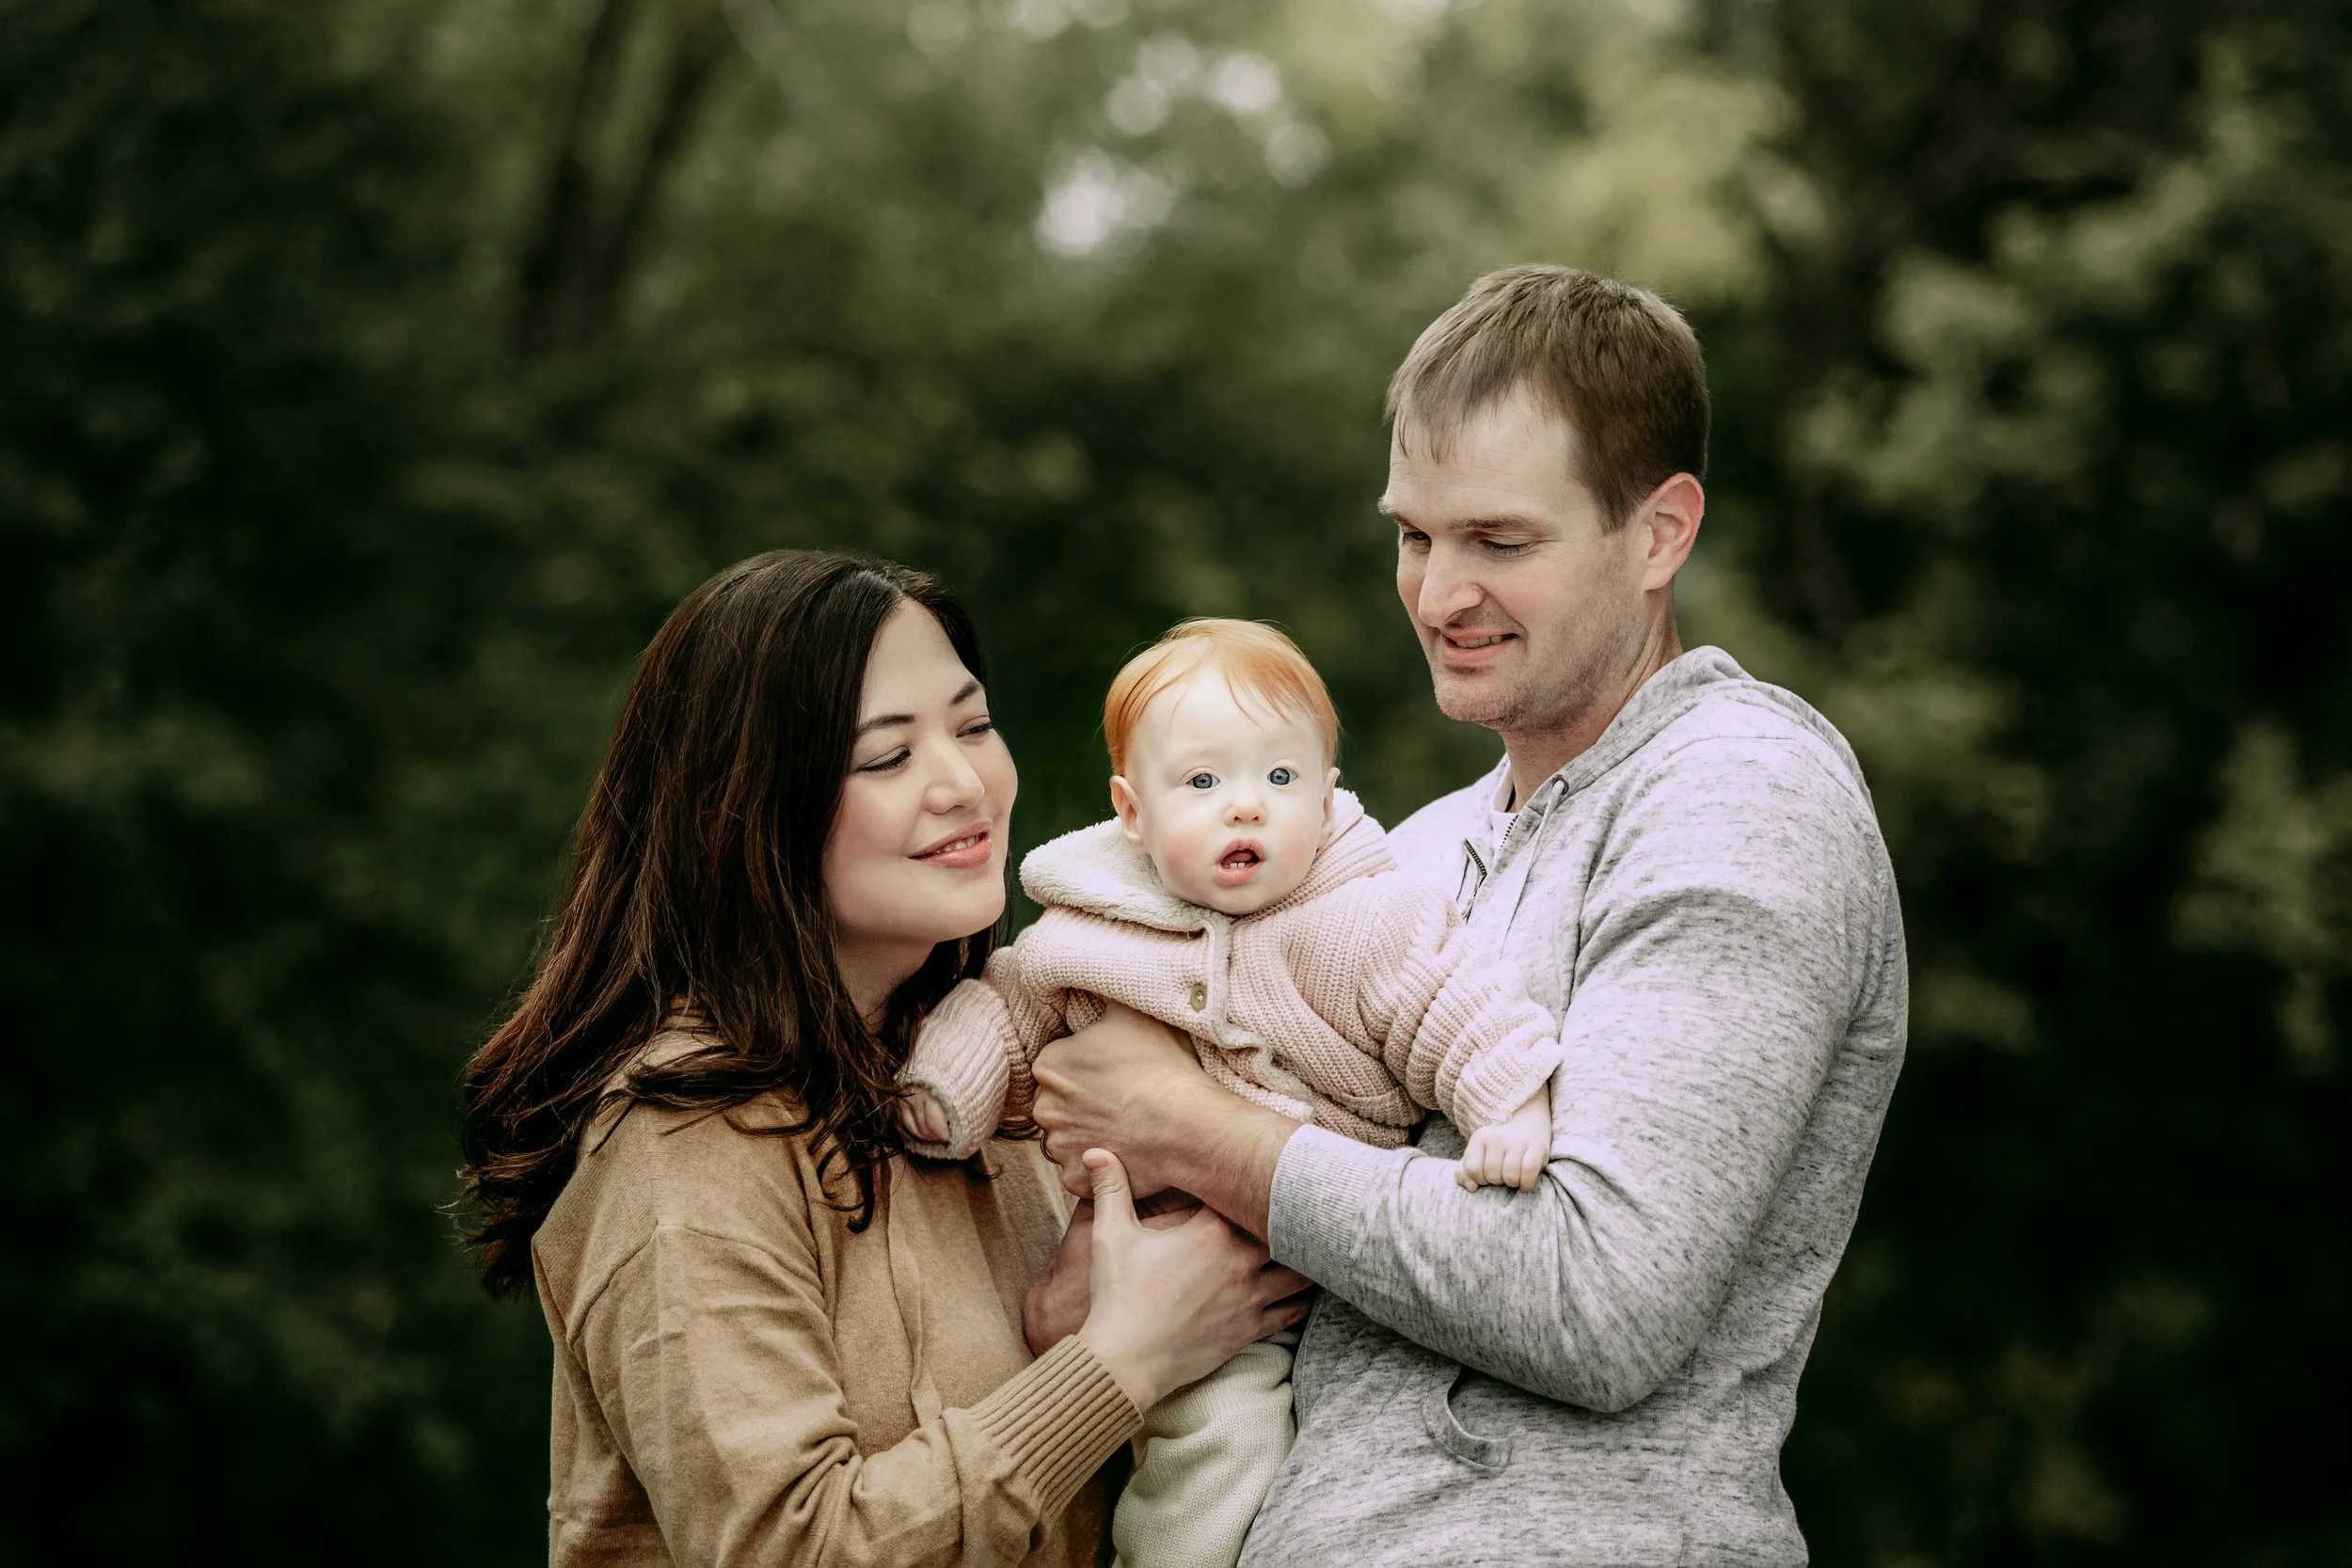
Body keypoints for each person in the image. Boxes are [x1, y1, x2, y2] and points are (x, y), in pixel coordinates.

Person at [1021, 264, 1910, 1567]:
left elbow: (1600, 1296)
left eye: (1499, 540)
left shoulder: (1738, 791)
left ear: (1661, 531)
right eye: (1414, 534)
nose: (1438, 595)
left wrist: (1189, 1127)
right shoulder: (1399, 852)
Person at [456, 551, 1310, 1568]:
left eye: (973, 724)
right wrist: (1115, 1361)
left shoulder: (1007, 1085)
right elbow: (782, 1547)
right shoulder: (681, 1139)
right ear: (751, 808)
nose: (963, 783)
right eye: (885, 756)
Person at [894, 617, 1563, 1568]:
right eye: (1202, 783)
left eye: (1280, 779)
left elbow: (1457, 1007)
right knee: (1148, 1406)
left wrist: (1508, 1103)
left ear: (1327, 799)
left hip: (1293, 1265)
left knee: (1239, 1444)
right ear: (1133, 810)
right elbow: (1006, 1009)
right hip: (1130, 1242)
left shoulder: (1365, 921)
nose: (1245, 806)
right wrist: (942, 1091)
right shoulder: (1090, 923)